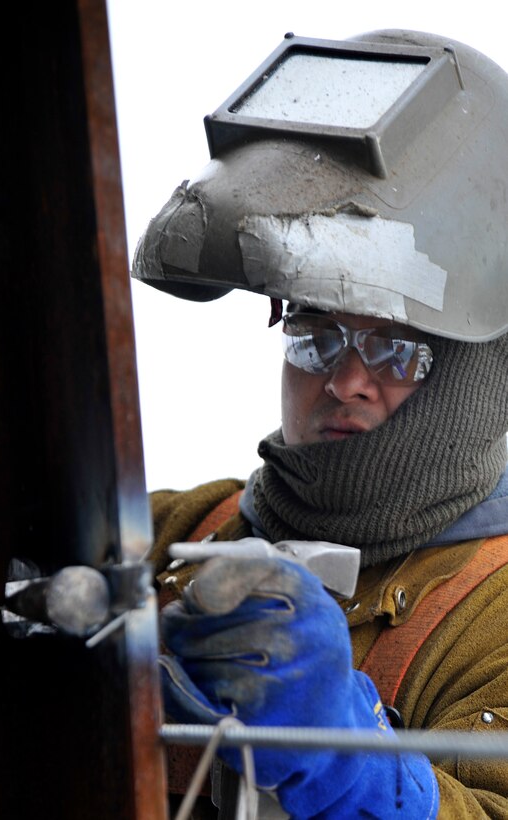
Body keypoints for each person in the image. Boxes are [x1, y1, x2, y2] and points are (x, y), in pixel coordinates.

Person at [133, 29, 508, 819]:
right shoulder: (170, 530)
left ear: (479, 380)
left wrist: (350, 759)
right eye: (315, 335)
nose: (343, 381)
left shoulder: (493, 611)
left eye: (396, 350)